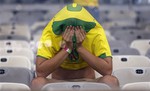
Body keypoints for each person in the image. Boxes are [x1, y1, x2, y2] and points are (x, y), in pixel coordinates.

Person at [31, 3, 119, 90]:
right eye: (69, 29)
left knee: (111, 82)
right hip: (58, 82)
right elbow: (40, 72)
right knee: (37, 83)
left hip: (88, 81)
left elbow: (107, 70)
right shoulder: (50, 32)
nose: (73, 32)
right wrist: (67, 49)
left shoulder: (96, 32)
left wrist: (80, 48)